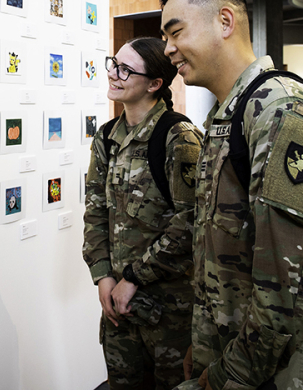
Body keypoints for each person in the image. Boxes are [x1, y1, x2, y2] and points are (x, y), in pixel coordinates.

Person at [159, 0, 303, 390]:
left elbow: (290, 284)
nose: (168, 48)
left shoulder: (281, 112)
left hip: (275, 373)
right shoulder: (229, 115)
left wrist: (230, 374)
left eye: (176, 32)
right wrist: (204, 342)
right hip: (230, 356)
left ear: (224, 22)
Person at [83, 37, 203, 389]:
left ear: (154, 84)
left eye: (125, 70)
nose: (113, 75)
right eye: (113, 64)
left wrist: (133, 278)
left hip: (170, 311)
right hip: (119, 310)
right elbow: (94, 211)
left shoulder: (179, 138)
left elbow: (190, 221)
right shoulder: (106, 138)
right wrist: (103, 275)